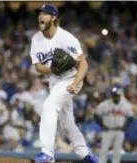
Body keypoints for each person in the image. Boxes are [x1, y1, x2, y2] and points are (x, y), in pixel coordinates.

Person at [30, 4, 99, 163]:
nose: (40, 16)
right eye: (39, 14)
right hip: (54, 82)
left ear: (53, 17)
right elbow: (38, 66)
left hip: (70, 79)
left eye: (44, 14)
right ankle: (85, 154)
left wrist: (75, 84)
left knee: (49, 105)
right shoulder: (36, 39)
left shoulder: (66, 38)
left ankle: (47, 153)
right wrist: (51, 70)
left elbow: (83, 64)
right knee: (67, 123)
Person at [94, 86, 133, 163]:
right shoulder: (105, 104)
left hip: (119, 131)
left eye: (118, 95)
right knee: (103, 150)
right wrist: (102, 125)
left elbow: (131, 117)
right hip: (108, 130)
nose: (116, 97)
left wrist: (125, 127)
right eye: (115, 95)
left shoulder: (125, 104)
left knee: (117, 151)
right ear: (112, 95)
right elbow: (96, 115)